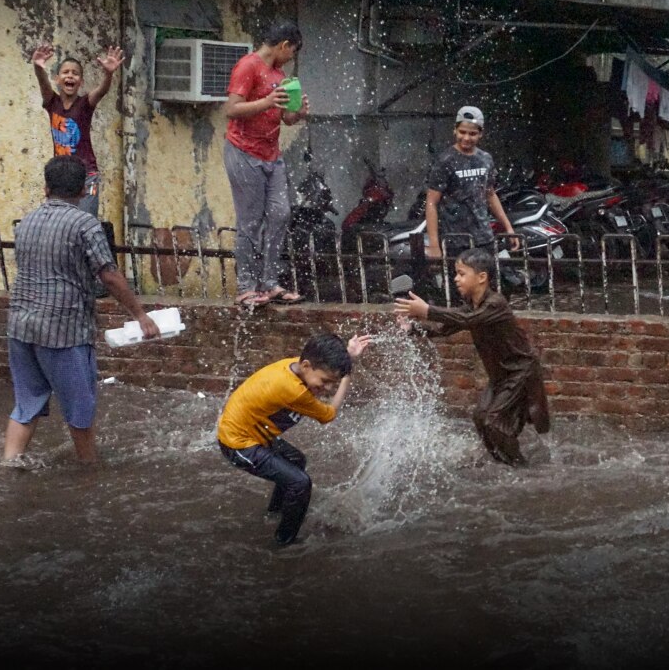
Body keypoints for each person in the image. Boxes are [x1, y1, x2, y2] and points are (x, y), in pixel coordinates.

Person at [1, 156, 159, 466]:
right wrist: (140, 315)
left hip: (20, 327)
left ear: (46, 187)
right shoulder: (84, 224)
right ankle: (90, 473)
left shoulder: (27, 221)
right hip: (63, 330)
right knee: (80, 410)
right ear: (86, 190)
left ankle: (8, 465)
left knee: (26, 405)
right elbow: (109, 276)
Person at [394, 247, 549, 465]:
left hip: (519, 372)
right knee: (480, 417)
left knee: (494, 421)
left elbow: (466, 320)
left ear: (482, 277)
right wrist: (413, 329)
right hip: (500, 375)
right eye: (456, 273)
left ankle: (520, 466)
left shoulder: (496, 303)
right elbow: (446, 327)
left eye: (462, 273)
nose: (456, 279)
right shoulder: (471, 305)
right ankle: (500, 460)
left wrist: (427, 309)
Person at [217, 333, 371, 546]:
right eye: (325, 382)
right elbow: (329, 415)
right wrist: (346, 376)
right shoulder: (293, 391)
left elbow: (321, 366)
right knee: (300, 482)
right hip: (238, 444)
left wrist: (346, 358)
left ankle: (275, 512)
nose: (327, 388)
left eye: (331, 383)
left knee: (296, 461)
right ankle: (284, 542)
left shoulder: (295, 366)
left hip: (253, 432)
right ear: (306, 365)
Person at [223, 20, 310, 307]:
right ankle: (247, 287)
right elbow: (232, 109)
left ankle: (270, 282)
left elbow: (284, 117)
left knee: (280, 213)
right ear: (284, 45)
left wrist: (298, 113)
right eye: (292, 51)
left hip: (271, 154)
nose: (291, 57)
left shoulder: (278, 73)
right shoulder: (249, 66)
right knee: (250, 220)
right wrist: (268, 101)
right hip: (244, 152)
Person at [30, 43, 123, 219]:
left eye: (75, 73)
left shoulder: (85, 103)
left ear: (80, 82)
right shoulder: (52, 102)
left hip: (87, 175)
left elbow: (102, 91)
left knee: (85, 220)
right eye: (66, 72)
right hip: (60, 175)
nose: (70, 76)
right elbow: (43, 84)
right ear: (57, 79)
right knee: (58, 221)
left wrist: (108, 74)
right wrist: (38, 68)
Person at [424, 106, 518, 260]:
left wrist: (508, 227)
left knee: (485, 281)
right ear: (454, 130)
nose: (466, 138)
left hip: (484, 238)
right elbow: (431, 202)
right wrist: (434, 244)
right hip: (455, 240)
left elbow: (490, 194)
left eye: (472, 133)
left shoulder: (485, 159)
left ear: (481, 134)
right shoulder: (445, 161)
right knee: (460, 282)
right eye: (462, 132)